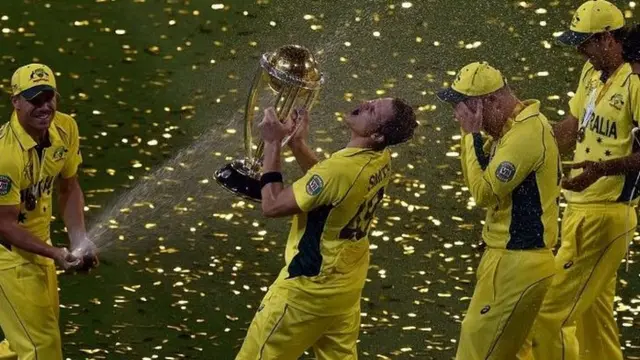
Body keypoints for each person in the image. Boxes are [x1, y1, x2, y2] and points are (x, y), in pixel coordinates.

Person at [235, 97, 417, 360]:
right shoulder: (380, 159)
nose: (364, 103)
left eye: (373, 110)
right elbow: (329, 188)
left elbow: (272, 205)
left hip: (306, 293)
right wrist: (297, 145)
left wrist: (273, 143)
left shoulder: (340, 170)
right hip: (343, 293)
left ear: (377, 134)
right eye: (373, 100)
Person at [524, 1, 640, 359]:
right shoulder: (591, 76)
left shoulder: (635, 83)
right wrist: (526, 145)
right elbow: (571, 129)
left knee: (548, 316)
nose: (578, 50)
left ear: (607, 38)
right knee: (594, 322)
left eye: (584, 42)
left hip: (606, 216)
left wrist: (601, 170)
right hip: (579, 211)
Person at [436, 61, 561, 360]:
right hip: (512, 260)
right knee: (512, 353)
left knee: (475, 351)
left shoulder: (525, 136)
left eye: (464, 108)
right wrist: (474, 138)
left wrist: (470, 136)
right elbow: (475, 182)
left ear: (489, 101)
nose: (458, 116)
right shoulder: (511, 130)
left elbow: (483, 194)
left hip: (516, 264)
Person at [0, 63, 98, 360]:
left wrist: (79, 239)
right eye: (34, 99)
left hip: (39, 248)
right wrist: (55, 253)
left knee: (28, 340)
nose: (44, 107)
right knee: (41, 346)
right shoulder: (5, 155)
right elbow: (3, 225)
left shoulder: (65, 128)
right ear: (15, 101)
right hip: (7, 256)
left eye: (49, 97)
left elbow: (69, 187)